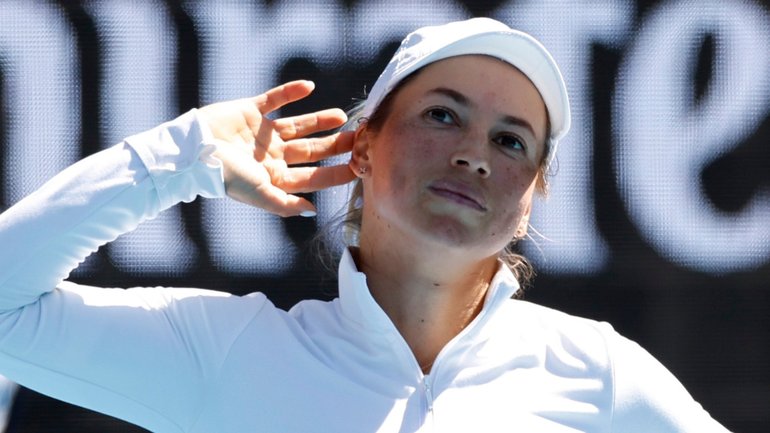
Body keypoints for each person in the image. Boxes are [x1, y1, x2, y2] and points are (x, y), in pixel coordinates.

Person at [0, 17, 730, 433]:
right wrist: (179, 154)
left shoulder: (599, 372)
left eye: (511, 141)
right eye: (442, 115)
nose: (474, 153)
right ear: (363, 147)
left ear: (531, 197)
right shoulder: (229, 355)